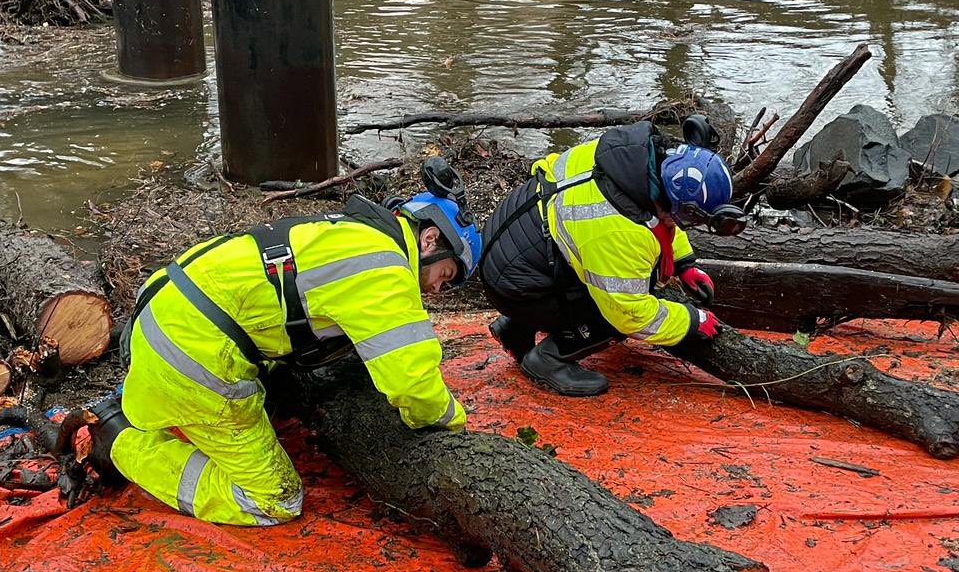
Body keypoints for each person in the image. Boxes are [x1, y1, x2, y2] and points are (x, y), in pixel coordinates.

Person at [80, 157, 481, 526]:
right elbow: (412, 384)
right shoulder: (385, 270)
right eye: (446, 275)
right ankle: (123, 443)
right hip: (193, 350)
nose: (438, 290)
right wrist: (452, 424)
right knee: (275, 500)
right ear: (430, 239)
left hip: (169, 304)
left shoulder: (356, 234)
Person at [479, 117, 745, 397]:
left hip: (512, 250)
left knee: (581, 263)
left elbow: (662, 219)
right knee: (616, 310)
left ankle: (515, 328)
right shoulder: (618, 229)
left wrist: (684, 263)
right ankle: (548, 359)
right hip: (516, 284)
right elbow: (630, 313)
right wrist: (691, 321)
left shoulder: (633, 157)